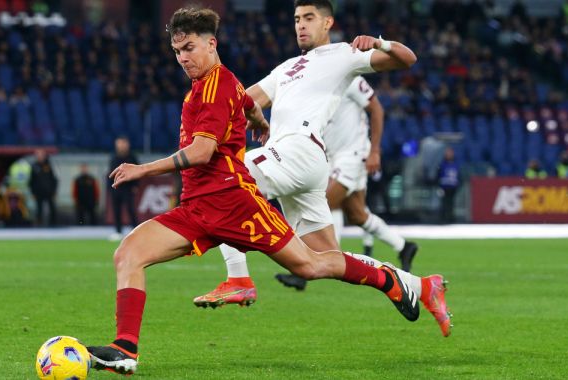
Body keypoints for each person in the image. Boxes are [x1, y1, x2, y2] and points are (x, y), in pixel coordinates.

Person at [85, 6, 423, 375]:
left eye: (190, 48)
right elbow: (247, 102)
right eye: (178, 51)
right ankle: (125, 348)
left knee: (310, 264)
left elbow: (202, 152)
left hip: (235, 204)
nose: (183, 58)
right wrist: (260, 121)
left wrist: (144, 169)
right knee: (129, 253)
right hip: (197, 208)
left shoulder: (217, 86)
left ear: (211, 44)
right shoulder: (228, 82)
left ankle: (387, 279)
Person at [194, 0, 448, 337]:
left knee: (224, 179)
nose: (301, 25)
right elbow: (244, 100)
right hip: (301, 163)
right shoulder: (286, 68)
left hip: (299, 149)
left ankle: (238, 277)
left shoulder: (342, 54)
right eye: (297, 18)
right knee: (318, 260)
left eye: (309, 18)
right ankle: (420, 285)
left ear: (327, 22)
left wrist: (379, 42)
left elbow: (407, 58)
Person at [276, 75, 419, 296]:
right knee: (357, 215)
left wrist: (375, 151)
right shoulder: (317, 83)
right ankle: (403, 246)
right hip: (335, 157)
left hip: (353, 155)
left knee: (320, 204)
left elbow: (377, 110)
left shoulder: (350, 78)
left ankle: (307, 268)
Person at [108, 136, 139, 237]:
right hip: (116, 188)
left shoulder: (132, 157)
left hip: (128, 188)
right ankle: (118, 231)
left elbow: (138, 171)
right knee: (116, 210)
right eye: (119, 143)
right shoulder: (113, 157)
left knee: (130, 209)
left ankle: (135, 229)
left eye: (123, 143)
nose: (121, 145)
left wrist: (135, 185)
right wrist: (110, 187)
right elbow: (109, 174)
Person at [29, 149, 58, 226]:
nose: (39, 156)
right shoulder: (34, 166)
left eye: (41, 154)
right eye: (38, 155)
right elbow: (31, 181)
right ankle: (39, 224)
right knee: (39, 209)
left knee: (52, 208)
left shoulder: (49, 165)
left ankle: (53, 224)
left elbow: (54, 179)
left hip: (49, 191)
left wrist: (54, 190)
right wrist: (33, 192)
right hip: (38, 192)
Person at [438, 147, 460, 223]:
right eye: (447, 153)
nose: (449, 154)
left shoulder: (455, 164)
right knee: (444, 203)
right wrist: (439, 186)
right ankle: (443, 218)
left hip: (453, 187)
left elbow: (458, 176)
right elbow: (439, 175)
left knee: (451, 203)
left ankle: (451, 218)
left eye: (450, 153)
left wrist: (458, 184)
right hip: (444, 187)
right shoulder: (442, 164)